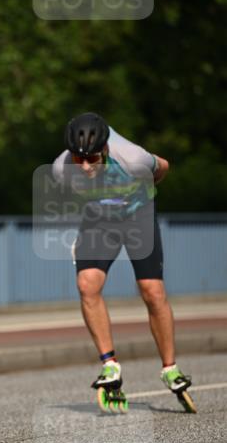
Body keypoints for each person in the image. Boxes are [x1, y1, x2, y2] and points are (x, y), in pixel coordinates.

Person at [51, 112, 195, 412]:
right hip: (100, 217)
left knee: (152, 290)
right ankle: (110, 364)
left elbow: (163, 167)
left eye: (92, 158)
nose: (85, 166)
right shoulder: (61, 168)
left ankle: (170, 368)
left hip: (138, 212)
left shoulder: (133, 158)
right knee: (87, 284)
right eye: (79, 159)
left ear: (104, 149)